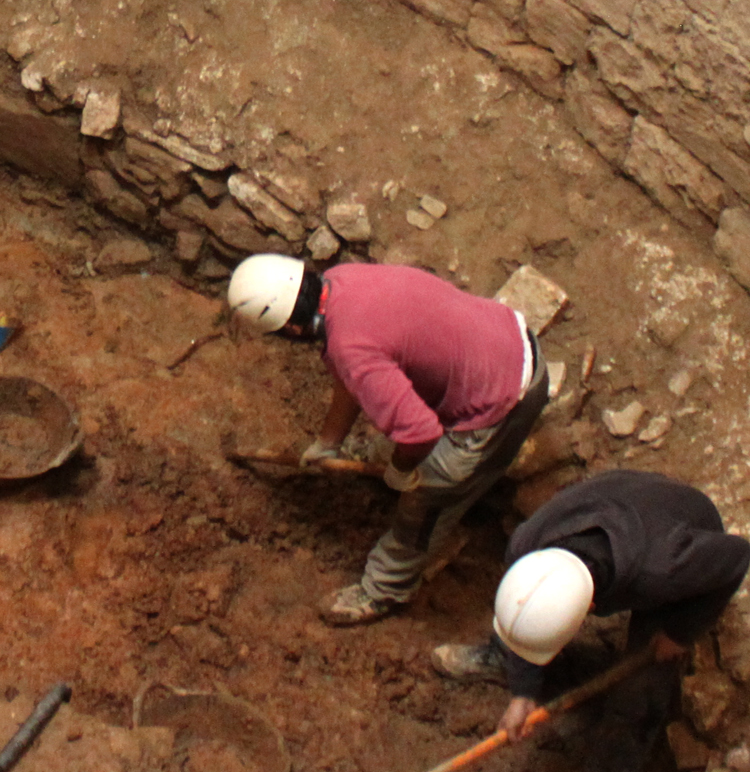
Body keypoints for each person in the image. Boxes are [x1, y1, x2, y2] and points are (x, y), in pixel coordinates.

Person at [431, 469, 750, 772]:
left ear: (591, 611)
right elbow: (530, 608)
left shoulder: (665, 571)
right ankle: (502, 655)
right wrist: (523, 692)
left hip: (683, 523)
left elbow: (738, 555)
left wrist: (681, 633)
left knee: (643, 685)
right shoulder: (527, 547)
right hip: (624, 502)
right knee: (525, 613)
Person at [227, 253, 551, 626]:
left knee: (424, 500)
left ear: (292, 328)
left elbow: (421, 431)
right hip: (505, 338)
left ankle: (384, 590)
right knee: (411, 442)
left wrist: (402, 470)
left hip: (505, 400)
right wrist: (328, 441)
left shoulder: (350, 345)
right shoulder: (340, 282)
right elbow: (350, 372)